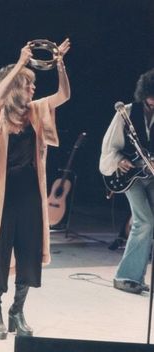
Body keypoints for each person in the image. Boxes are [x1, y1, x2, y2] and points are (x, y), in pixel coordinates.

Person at [0, 38, 71, 339]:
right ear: (13, 87)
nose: (32, 89)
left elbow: (63, 94)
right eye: (27, 84)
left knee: (29, 252)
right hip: (1, 195)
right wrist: (21, 63)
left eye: (31, 84)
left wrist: (59, 63)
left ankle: (17, 310)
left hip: (28, 194)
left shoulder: (36, 111)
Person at [100, 68, 154, 294]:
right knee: (145, 221)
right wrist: (119, 160)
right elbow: (109, 147)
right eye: (151, 100)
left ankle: (136, 277)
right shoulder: (127, 112)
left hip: (150, 176)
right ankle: (125, 277)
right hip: (130, 178)